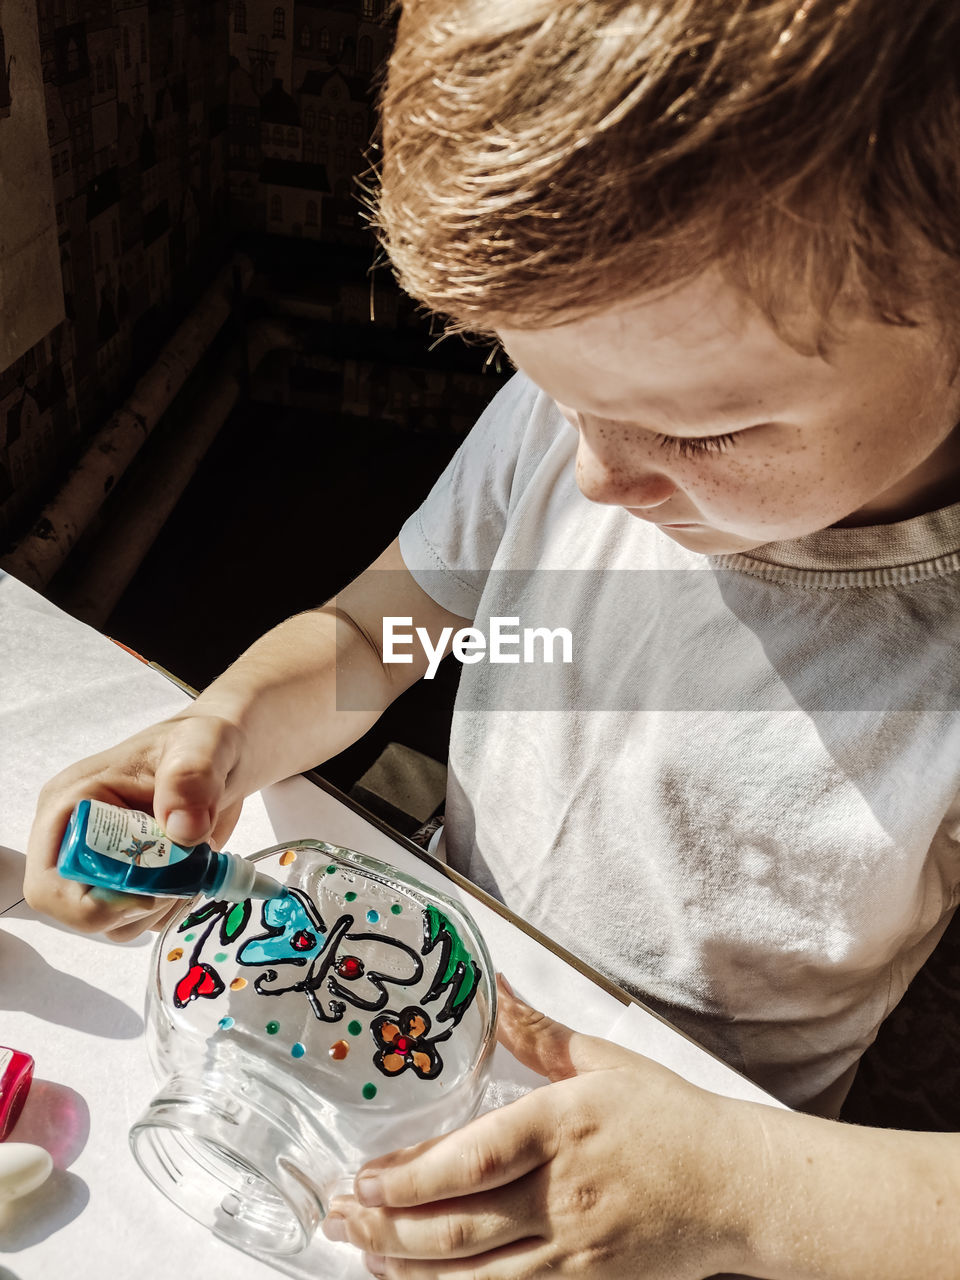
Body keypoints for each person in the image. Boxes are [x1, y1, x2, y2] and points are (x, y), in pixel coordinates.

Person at [25, 0, 960, 1274]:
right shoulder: (608, 401)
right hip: (434, 974)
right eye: (553, 391)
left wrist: (739, 1188)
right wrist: (225, 729)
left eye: (703, 434)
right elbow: (374, 634)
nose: (593, 476)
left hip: (705, 1163)